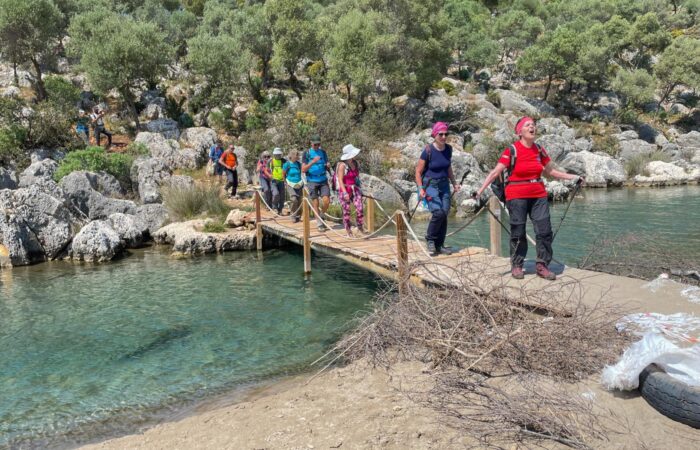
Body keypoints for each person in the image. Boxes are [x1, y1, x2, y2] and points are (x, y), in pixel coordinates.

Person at [473, 116, 584, 280]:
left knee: (545, 231)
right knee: (518, 232)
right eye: (528, 125)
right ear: (520, 132)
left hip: (538, 194)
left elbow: (551, 172)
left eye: (533, 124)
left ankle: (542, 265)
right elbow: (496, 172)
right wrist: (480, 191)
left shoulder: (539, 149)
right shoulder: (512, 150)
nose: (532, 127)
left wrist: (573, 177)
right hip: (516, 195)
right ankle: (517, 265)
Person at [414, 122, 461, 256]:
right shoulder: (428, 151)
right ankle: (430, 239)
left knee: (444, 213)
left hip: (444, 184)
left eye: (446, 134)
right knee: (438, 212)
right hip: (430, 185)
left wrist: (454, 183)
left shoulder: (448, 149)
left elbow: (448, 168)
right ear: (435, 135)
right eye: (441, 134)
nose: (444, 136)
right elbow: (418, 172)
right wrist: (420, 189)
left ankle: (440, 245)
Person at [302, 134, 331, 231]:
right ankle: (319, 223)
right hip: (312, 180)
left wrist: (327, 165)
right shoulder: (307, 153)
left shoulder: (323, 152)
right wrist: (313, 162)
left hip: (323, 179)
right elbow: (303, 169)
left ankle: (321, 215)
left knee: (326, 200)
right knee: (315, 203)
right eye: (315, 145)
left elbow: (326, 164)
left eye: (318, 144)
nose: (317, 146)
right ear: (311, 143)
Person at [336, 144, 364, 237]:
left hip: (355, 188)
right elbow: (340, 180)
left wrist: (360, 189)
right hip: (345, 189)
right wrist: (344, 193)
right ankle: (348, 230)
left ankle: (360, 228)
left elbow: (356, 177)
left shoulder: (355, 163)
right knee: (346, 211)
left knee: (359, 208)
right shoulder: (342, 165)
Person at [283, 149, 304, 223]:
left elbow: (302, 172)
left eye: (298, 155)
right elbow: (284, 174)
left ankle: (298, 216)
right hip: (290, 184)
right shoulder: (287, 164)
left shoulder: (298, 164)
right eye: (296, 155)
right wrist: (285, 182)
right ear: (292, 156)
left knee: (299, 200)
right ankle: (293, 215)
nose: (298, 156)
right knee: (294, 199)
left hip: (299, 184)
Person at [269, 147, 287, 214]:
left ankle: (280, 210)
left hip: (282, 181)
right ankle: (275, 207)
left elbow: (287, 170)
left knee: (282, 196)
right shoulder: (271, 161)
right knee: (276, 194)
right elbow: (266, 169)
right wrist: (269, 175)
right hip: (274, 181)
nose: (277, 156)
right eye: (276, 154)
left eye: (279, 154)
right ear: (274, 154)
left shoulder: (284, 161)